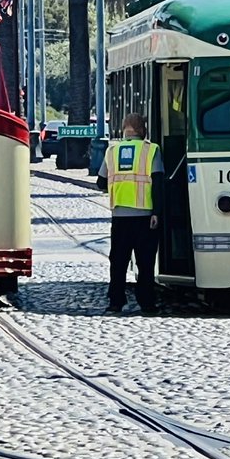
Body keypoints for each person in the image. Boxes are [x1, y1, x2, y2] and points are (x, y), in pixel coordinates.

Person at [96, 112, 164, 314]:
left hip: (119, 218)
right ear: (143, 130)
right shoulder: (151, 150)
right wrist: (157, 212)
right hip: (145, 216)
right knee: (145, 263)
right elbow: (158, 183)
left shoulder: (112, 151)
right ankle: (147, 303)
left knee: (118, 262)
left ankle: (116, 302)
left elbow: (100, 182)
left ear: (124, 129)